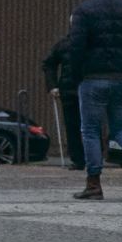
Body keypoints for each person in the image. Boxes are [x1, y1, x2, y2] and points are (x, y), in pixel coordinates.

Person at [68, 0, 122, 200]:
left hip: (93, 78)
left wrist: (77, 77)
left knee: (91, 130)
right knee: (121, 128)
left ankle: (94, 183)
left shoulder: (84, 11)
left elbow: (76, 48)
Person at [42, 26, 86, 171]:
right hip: (82, 89)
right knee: (88, 125)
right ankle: (88, 158)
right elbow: (49, 63)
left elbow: (49, 63)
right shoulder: (89, 43)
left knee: (73, 126)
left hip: (69, 90)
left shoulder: (64, 44)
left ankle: (79, 159)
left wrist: (53, 86)